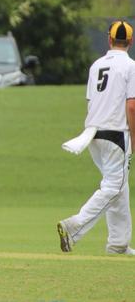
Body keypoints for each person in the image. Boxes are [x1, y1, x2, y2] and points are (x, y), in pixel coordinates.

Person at [57, 20, 135, 255]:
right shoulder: (131, 66)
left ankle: (118, 244)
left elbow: (91, 101)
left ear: (109, 39)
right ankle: (74, 226)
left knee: (118, 186)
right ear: (129, 42)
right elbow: (131, 106)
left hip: (92, 132)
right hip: (117, 133)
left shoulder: (96, 65)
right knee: (114, 185)